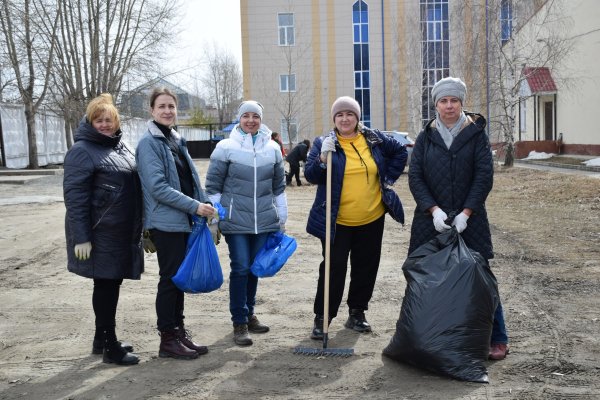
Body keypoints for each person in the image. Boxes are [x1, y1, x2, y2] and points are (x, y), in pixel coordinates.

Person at [407, 76, 509, 360]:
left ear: (462, 103)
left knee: (480, 279)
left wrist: (466, 213)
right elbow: (415, 177)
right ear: (436, 104)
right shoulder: (426, 136)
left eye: (454, 100)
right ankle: (431, 339)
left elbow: (483, 177)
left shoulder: (475, 134)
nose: (449, 106)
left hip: (470, 221)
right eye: (443, 100)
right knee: (429, 280)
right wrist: (433, 210)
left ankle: (497, 338)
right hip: (431, 221)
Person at [304, 96, 408, 340]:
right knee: (333, 268)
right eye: (339, 115)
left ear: (357, 117)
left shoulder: (374, 139)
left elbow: (400, 152)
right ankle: (323, 318)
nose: (345, 118)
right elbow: (310, 176)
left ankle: (357, 312)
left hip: (371, 218)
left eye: (349, 114)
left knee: (366, 266)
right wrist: (321, 160)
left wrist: (388, 180)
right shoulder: (323, 143)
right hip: (337, 221)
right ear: (334, 119)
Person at [136, 87, 216, 360]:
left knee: (179, 280)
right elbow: (158, 187)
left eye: (172, 106)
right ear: (152, 110)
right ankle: (167, 339)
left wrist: (207, 207)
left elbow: (191, 181)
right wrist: (195, 206)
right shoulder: (149, 143)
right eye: (162, 106)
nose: (168, 111)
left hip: (184, 222)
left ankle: (179, 332)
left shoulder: (175, 139)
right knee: (170, 279)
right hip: (165, 223)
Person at [63, 93, 142, 366]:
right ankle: (110, 347)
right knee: (106, 285)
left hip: (120, 231)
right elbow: (75, 198)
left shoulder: (120, 147)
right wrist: (81, 237)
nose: (105, 124)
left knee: (112, 282)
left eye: (109, 119)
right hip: (99, 233)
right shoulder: (82, 151)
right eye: (99, 120)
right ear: (90, 121)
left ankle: (101, 339)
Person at [205, 100, 288, 346]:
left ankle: (250, 313)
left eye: (255, 116)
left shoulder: (272, 148)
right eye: (246, 116)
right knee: (240, 267)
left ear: (261, 120)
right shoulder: (225, 147)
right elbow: (213, 186)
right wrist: (215, 217)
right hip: (235, 219)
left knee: (254, 268)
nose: (250, 120)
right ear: (239, 119)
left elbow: (278, 187)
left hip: (263, 220)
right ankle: (239, 321)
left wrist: (281, 217)